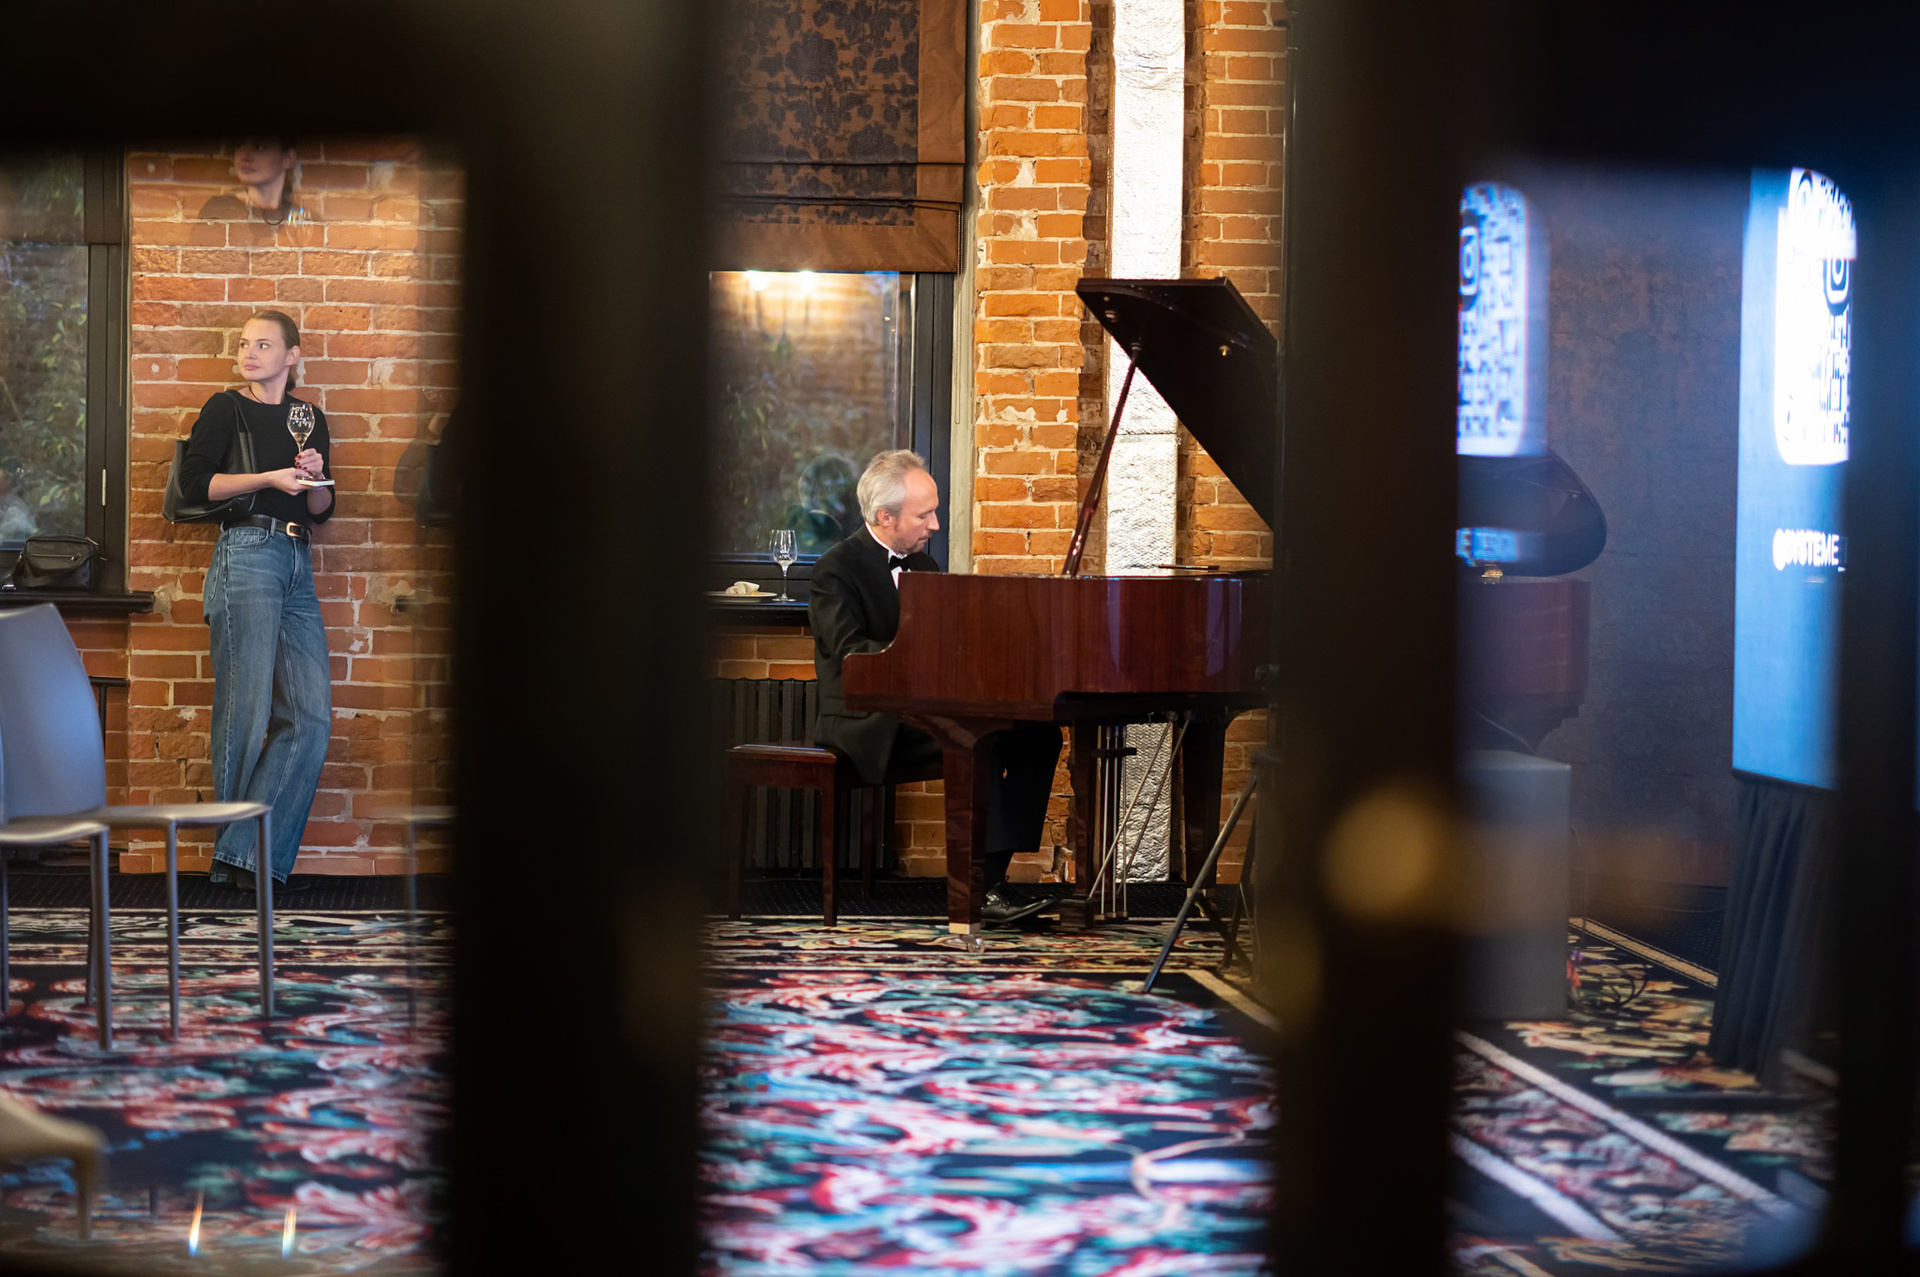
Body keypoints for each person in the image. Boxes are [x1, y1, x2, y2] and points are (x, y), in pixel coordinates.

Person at [809, 449, 1062, 925]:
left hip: (922, 711)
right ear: (885, 517)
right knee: (979, 736)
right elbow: (851, 653)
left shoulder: (924, 567)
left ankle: (988, 879)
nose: (936, 525)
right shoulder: (834, 570)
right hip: (867, 719)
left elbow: (951, 645)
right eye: (923, 515)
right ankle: (981, 891)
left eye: (935, 512)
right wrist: (924, 661)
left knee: (1038, 734)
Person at [177, 310, 336, 890]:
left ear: (291, 355)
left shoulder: (307, 417)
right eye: (245, 343)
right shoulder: (226, 408)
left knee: (311, 717)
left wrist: (315, 474)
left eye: (264, 344)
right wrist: (269, 478)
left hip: (297, 560)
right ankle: (235, 865)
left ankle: (241, 853)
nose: (249, 352)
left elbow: (323, 509)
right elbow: (195, 485)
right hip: (245, 553)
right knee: (245, 713)